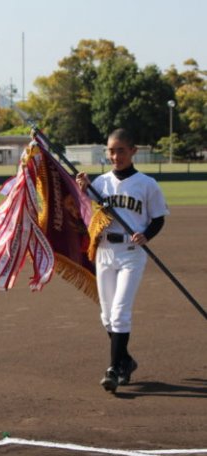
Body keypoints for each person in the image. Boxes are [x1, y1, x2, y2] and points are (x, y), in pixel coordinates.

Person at [76, 129, 168, 393]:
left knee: (119, 313)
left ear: (133, 151)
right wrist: (83, 192)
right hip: (104, 251)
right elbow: (86, 214)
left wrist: (146, 235)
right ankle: (126, 361)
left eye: (121, 150)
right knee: (107, 316)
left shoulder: (147, 184)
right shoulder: (100, 183)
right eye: (111, 150)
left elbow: (159, 218)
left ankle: (114, 369)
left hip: (131, 252)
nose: (115, 156)